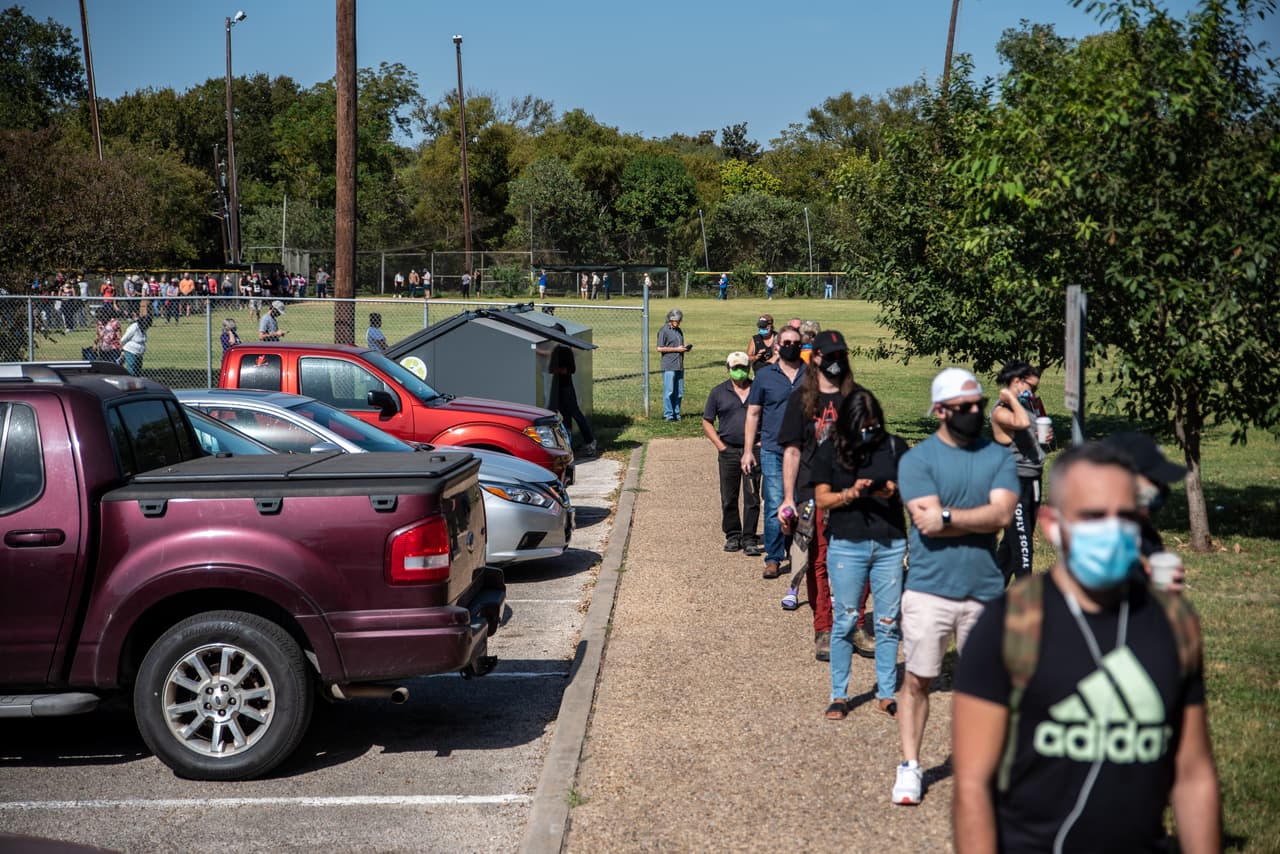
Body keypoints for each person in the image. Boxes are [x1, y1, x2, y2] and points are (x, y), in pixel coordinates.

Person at [952, 441, 1219, 853]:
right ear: (1052, 524)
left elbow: (1193, 774)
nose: (1112, 528)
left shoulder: (1174, 622)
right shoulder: (1008, 625)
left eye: (1126, 515)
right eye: (1093, 516)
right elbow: (972, 787)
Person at [892, 367, 1019, 806]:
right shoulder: (917, 460)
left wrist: (948, 517)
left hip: (984, 591)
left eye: (978, 406)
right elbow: (924, 521)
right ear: (941, 411)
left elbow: (1002, 515)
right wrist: (961, 518)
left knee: (984, 686)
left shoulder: (999, 457)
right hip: (929, 589)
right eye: (964, 408)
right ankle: (910, 766)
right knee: (918, 680)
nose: (974, 413)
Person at [812, 387, 909, 719]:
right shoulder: (831, 450)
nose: (869, 431)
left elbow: (912, 490)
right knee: (847, 620)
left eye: (873, 424)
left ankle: (885, 692)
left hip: (889, 543)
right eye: (862, 425)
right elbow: (821, 498)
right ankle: (839, 694)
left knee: (886, 622)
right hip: (847, 545)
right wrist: (849, 494)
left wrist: (892, 490)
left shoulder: (894, 446)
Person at [777, 330, 858, 661]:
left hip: (851, 492)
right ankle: (824, 628)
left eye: (843, 355)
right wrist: (787, 498)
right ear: (818, 358)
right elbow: (792, 452)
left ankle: (854, 624)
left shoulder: (857, 398)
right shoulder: (801, 399)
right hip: (813, 492)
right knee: (819, 561)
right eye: (831, 355)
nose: (837, 361)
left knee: (856, 562)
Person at [741, 325, 806, 579]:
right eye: (786, 342)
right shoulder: (766, 376)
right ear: (777, 346)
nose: (791, 346)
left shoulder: (811, 375)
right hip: (772, 449)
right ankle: (774, 557)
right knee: (774, 504)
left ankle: (800, 554)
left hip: (804, 450)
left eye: (796, 342)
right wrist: (748, 450)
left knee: (803, 505)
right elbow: (753, 413)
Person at [991, 360, 1050, 584]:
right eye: (1031, 388)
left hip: (1033, 478)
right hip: (1013, 483)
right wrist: (1010, 397)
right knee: (1024, 549)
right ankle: (1028, 604)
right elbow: (1022, 423)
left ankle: (990, 596)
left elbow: (1030, 429)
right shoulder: (1001, 411)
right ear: (1017, 381)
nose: (1033, 393)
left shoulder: (1025, 406)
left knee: (1011, 544)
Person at [703, 351, 762, 555]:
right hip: (728, 449)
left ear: (749, 369)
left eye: (743, 368)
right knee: (729, 495)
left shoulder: (758, 390)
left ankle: (749, 537)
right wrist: (720, 446)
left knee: (752, 495)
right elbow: (707, 421)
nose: (739, 372)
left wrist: (761, 443)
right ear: (728, 369)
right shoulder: (718, 392)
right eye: (735, 368)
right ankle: (733, 534)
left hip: (753, 451)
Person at [548, 342, 596, 456]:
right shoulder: (556, 350)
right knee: (559, 415)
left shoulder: (566, 351)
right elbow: (550, 368)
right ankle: (567, 443)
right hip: (556, 387)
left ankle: (590, 440)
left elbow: (570, 370)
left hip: (566, 387)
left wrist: (556, 369)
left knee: (575, 413)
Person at [656, 309, 690, 421]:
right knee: (669, 391)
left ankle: (677, 414)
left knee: (679, 392)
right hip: (669, 365)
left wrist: (684, 348)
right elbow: (659, 348)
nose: (679, 322)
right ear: (671, 320)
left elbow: (679, 346)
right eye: (677, 320)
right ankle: (669, 415)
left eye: (679, 320)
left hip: (679, 365)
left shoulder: (679, 331)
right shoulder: (663, 331)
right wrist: (677, 349)